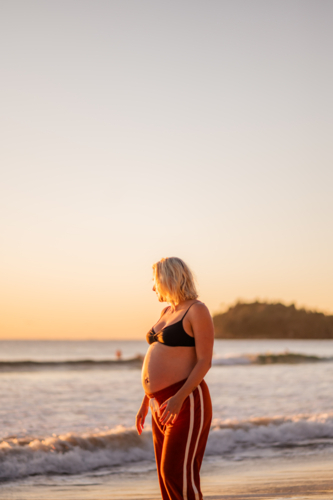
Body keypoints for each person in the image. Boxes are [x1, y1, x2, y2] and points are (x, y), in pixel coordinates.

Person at [136, 257, 214, 500]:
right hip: (159, 403)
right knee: (164, 475)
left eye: (155, 281)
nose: (152, 288)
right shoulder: (166, 312)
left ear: (169, 279)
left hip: (186, 399)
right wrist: (145, 402)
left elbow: (204, 361)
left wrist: (179, 398)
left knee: (176, 473)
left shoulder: (197, 310)